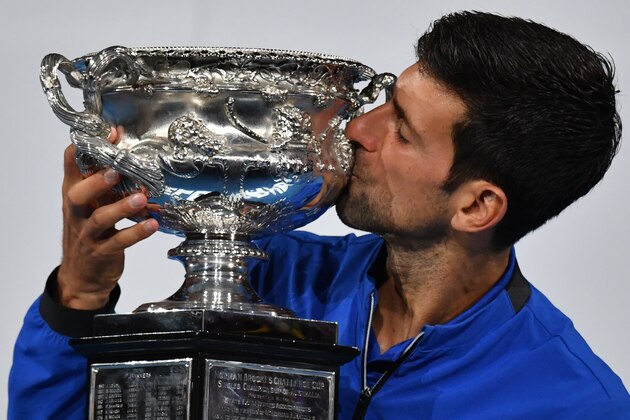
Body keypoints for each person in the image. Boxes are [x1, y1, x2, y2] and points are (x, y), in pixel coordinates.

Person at [9, 11, 630, 419]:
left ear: (476, 206)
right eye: (385, 102)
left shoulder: (570, 403)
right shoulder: (276, 272)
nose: (359, 128)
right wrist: (79, 296)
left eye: (403, 131)